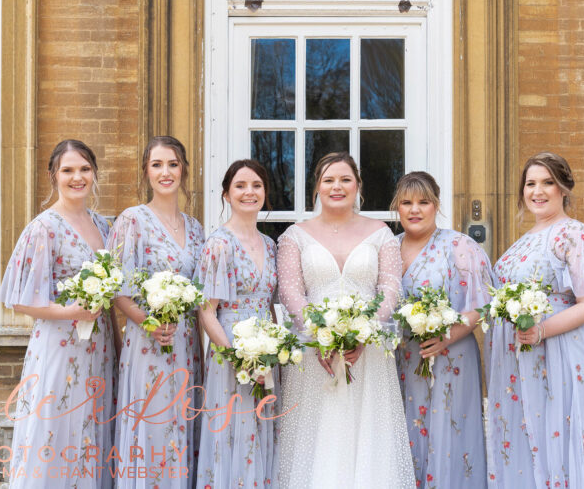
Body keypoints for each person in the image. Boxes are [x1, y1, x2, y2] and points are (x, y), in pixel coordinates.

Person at [276, 152, 416, 489]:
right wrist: (322, 337)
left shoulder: (381, 232)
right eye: (328, 180)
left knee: (367, 435)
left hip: (368, 353)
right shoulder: (295, 235)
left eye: (345, 179)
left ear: (358, 186)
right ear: (317, 188)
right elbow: (291, 293)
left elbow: (389, 289)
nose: (336, 186)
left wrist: (362, 336)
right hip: (314, 354)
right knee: (318, 434)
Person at [485, 152, 584, 489]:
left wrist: (542, 329)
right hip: (520, 361)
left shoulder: (574, 234)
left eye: (547, 182)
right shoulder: (525, 239)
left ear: (564, 188)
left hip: (561, 358)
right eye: (530, 183)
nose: (538, 191)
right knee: (525, 443)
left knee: (558, 441)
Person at [0, 139, 116, 488]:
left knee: (92, 430)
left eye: (84, 169)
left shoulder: (105, 227)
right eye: (68, 170)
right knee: (56, 426)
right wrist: (70, 311)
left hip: (100, 346)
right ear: (53, 176)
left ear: (94, 174)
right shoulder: (44, 228)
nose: (77, 177)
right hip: (59, 347)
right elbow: (18, 301)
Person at [109, 136, 205, 488]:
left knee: (181, 421)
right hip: (147, 344)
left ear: (183, 171)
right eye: (157, 165)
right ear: (146, 172)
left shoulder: (195, 228)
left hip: (186, 344)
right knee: (151, 422)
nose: (166, 172)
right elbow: (117, 290)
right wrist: (148, 323)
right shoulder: (132, 220)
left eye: (173, 164)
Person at [392, 171, 492, 488]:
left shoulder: (460, 247)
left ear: (436, 205)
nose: (414, 210)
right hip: (403, 360)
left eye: (423, 202)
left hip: (451, 358)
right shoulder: (387, 250)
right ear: (397, 207)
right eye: (406, 202)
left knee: (450, 432)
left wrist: (446, 336)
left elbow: (480, 305)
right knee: (408, 430)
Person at [195, 159, 280, 488]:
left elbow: (269, 307)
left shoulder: (270, 246)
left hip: (266, 353)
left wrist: (273, 354)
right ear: (226, 195)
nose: (249, 192)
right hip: (229, 351)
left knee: (261, 425)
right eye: (240, 186)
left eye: (256, 185)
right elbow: (206, 312)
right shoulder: (219, 244)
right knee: (234, 428)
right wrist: (239, 357)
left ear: (265, 193)